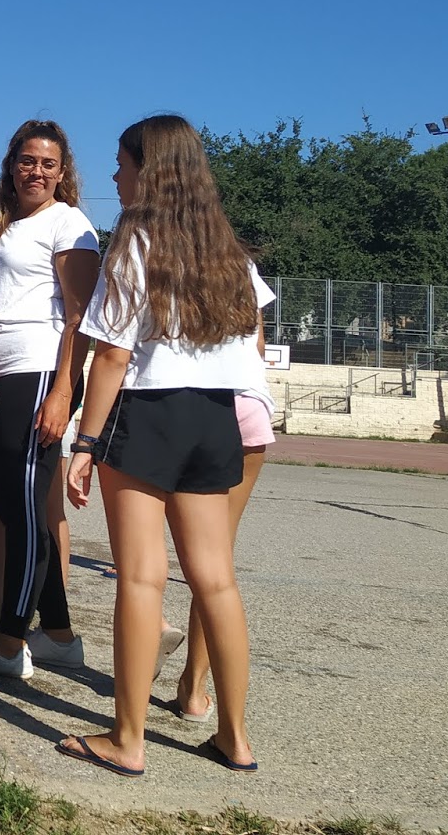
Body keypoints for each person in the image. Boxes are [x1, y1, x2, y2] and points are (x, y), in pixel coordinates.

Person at [59, 114, 265, 777]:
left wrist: (86, 442)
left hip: (148, 413)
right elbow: (253, 337)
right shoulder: (227, 249)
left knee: (143, 578)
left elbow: (113, 355)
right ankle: (234, 738)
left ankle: (128, 740)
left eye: (122, 165)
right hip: (216, 416)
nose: (115, 176)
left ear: (149, 171)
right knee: (216, 579)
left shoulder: (133, 243)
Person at [0, 121, 99, 679]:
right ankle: (59, 637)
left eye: (49, 164)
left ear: (62, 171)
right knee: (12, 504)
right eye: (28, 161)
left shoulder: (69, 223)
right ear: (12, 165)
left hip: (40, 368)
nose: (37, 172)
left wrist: (63, 391)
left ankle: (7, 643)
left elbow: (80, 315)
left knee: (24, 508)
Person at [172, 277, 276, 722]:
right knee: (216, 561)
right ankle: (194, 692)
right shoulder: (240, 265)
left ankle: (152, 627)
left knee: (140, 549)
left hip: (185, 402)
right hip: (250, 400)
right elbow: (258, 346)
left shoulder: (158, 254)